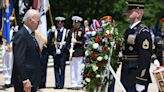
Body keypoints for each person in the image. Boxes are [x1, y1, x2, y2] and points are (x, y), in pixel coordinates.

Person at [120, 1, 152, 92]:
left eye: (130, 10)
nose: (127, 12)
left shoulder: (143, 31)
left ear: (138, 13)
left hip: (136, 74)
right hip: (127, 73)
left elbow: (145, 57)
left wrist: (141, 80)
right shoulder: (129, 30)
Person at [11, 9, 41, 92]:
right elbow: (19, 60)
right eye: (38, 21)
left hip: (31, 80)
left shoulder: (30, 34)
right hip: (24, 82)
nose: (39, 24)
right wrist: (25, 80)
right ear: (30, 20)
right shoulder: (21, 35)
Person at [67, 16, 85, 88]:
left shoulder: (82, 31)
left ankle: (79, 82)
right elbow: (67, 41)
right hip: (72, 52)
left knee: (79, 68)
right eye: (75, 23)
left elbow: (83, 41)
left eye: (77, 23)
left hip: (79, 52)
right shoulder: (71, 31)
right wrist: (69, 49)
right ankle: (73, 82)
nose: (76, 24)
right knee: (72, 68)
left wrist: (76, 42)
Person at [53, 16, 69, 89]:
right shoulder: (54, 31)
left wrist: (62, 48)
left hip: (63, 53)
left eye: (61, 22)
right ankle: (57, 83)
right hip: (55, 52)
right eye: (58, 22)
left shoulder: (66, 31)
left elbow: (67, 41)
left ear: (63, 23)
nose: (59, 23)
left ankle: (61, 84)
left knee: (62, 69)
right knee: (56, 68)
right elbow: (50, 41)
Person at [2, 16, 17, 88]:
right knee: (5, 63)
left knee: (10, 64)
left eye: (12, 21)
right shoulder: (4, 29)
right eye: (10, 21)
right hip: (5, 46)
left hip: (11, 47)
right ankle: (6, 80)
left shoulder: (15, 29)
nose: (10, 22)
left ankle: (11, 80)